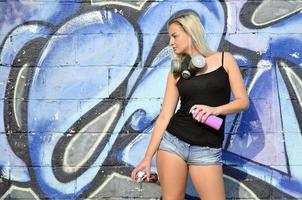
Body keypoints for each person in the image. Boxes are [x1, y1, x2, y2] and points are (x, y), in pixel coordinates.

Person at [131, 12, 249, 200]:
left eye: (175, 36)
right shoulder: (176, 71)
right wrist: (147, 158)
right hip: (173, 143)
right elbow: (165, 116)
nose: (171, 42)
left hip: (207, 150)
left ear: (190, 32)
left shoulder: (225, 60)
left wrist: (215, 110)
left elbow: (243, 102)